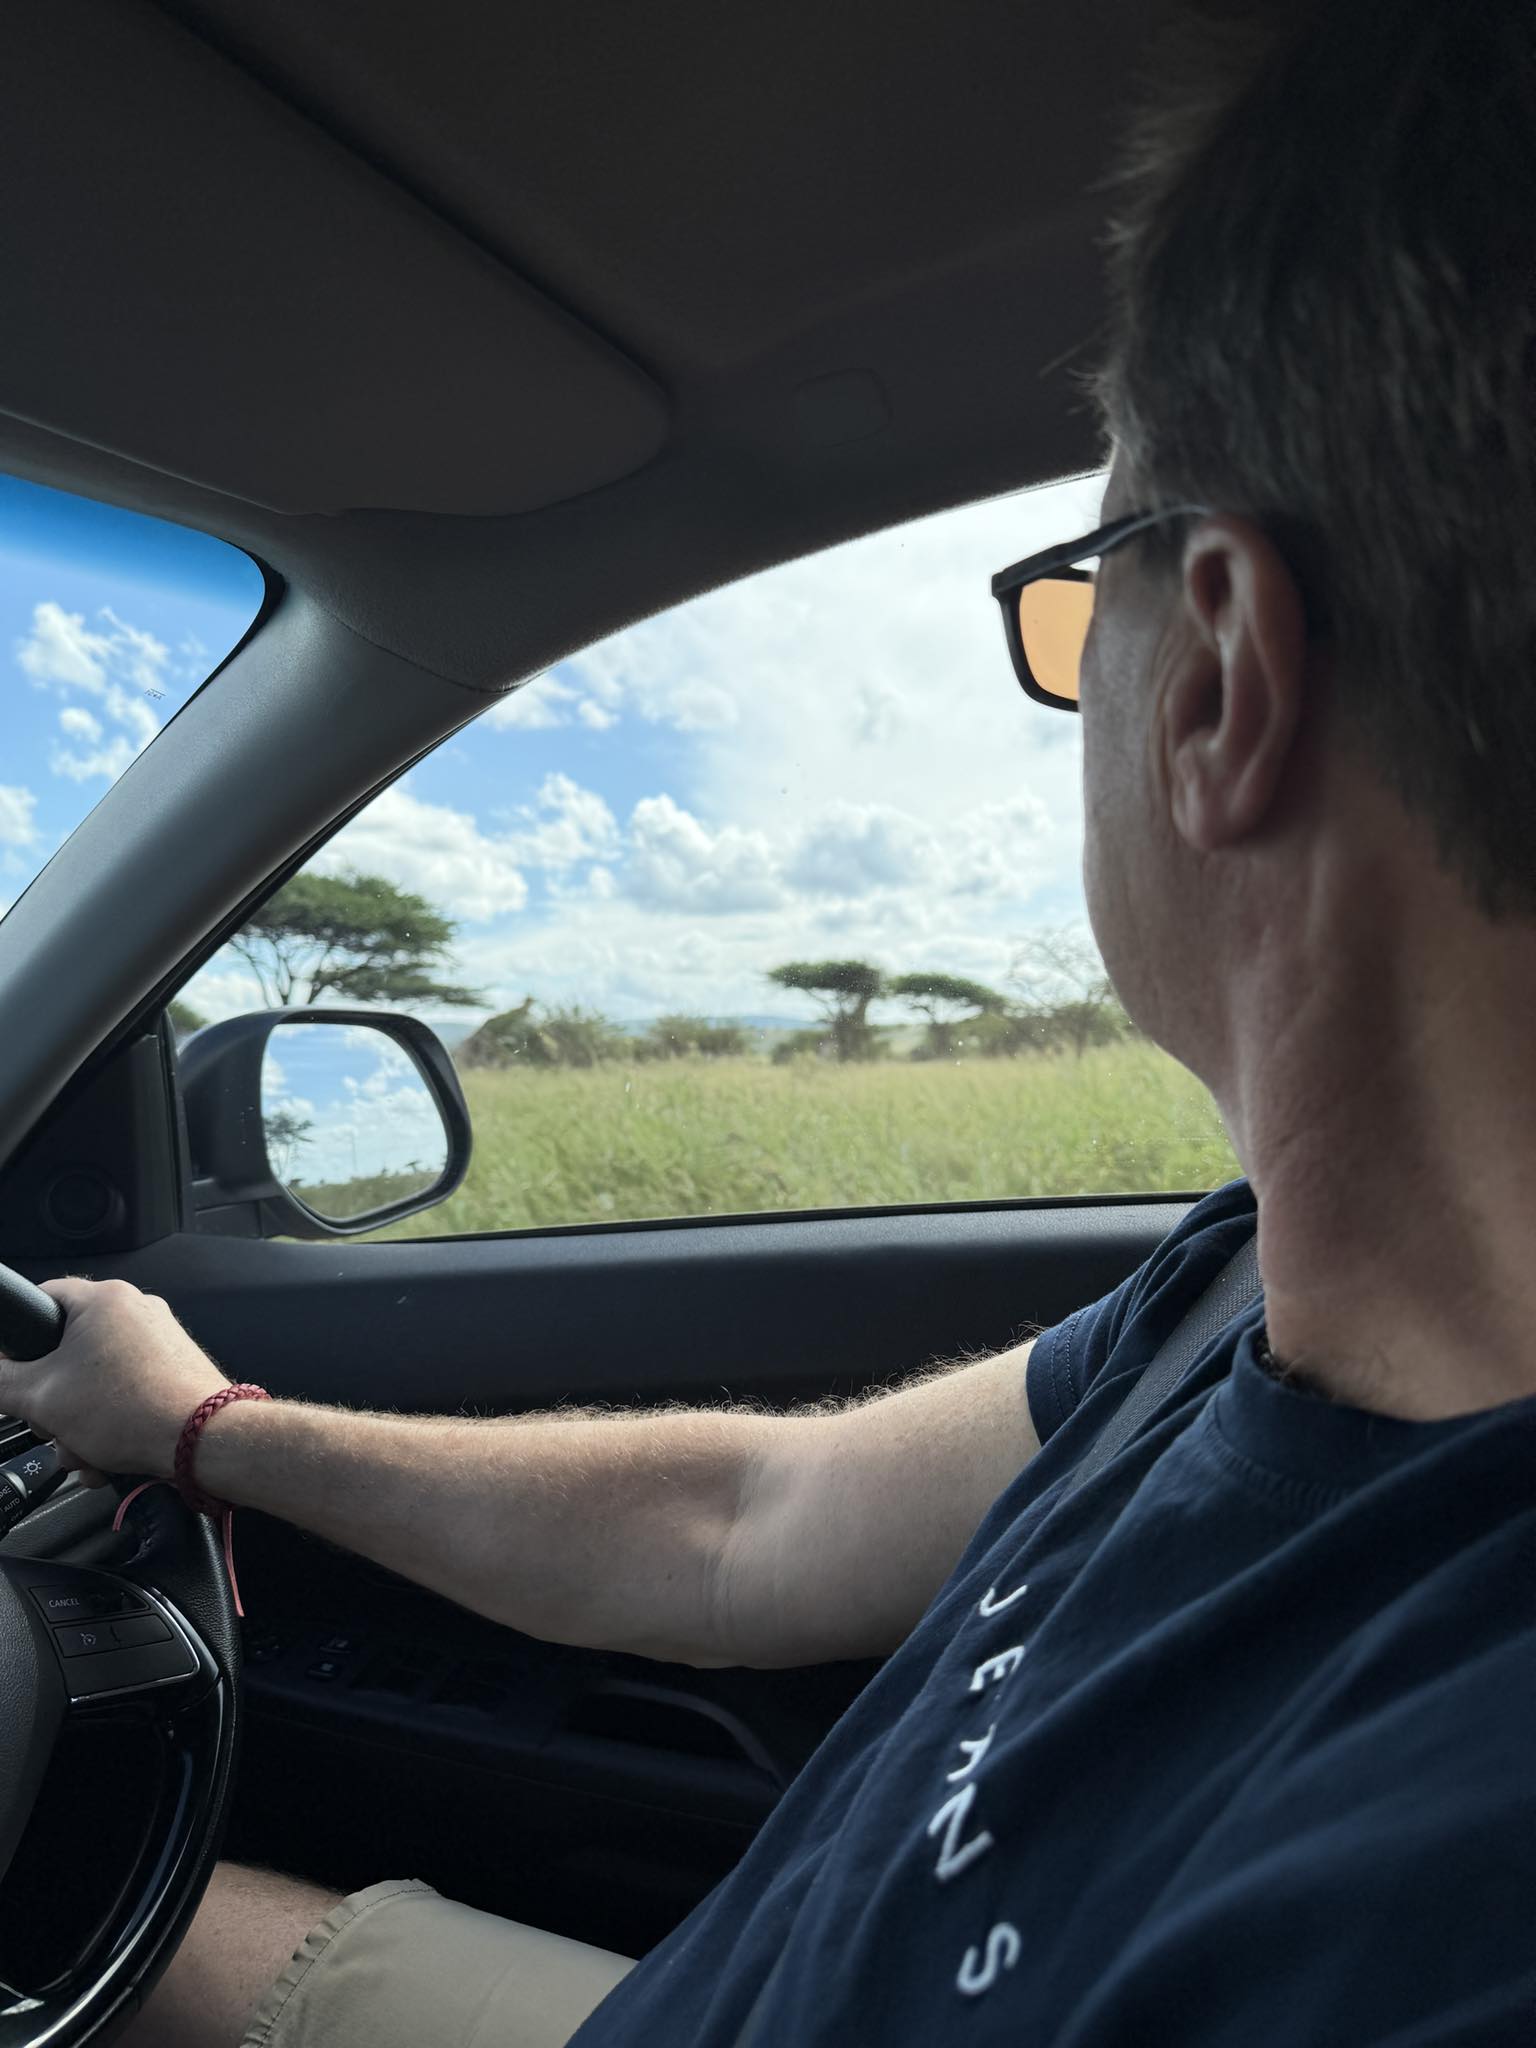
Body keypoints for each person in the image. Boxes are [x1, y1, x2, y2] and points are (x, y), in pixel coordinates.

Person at [6, 1, 1536, 2041]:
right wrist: (205, 1430)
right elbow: (749, 1523)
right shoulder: (1250, 1288)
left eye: (1086, 597)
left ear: (1214, 679)